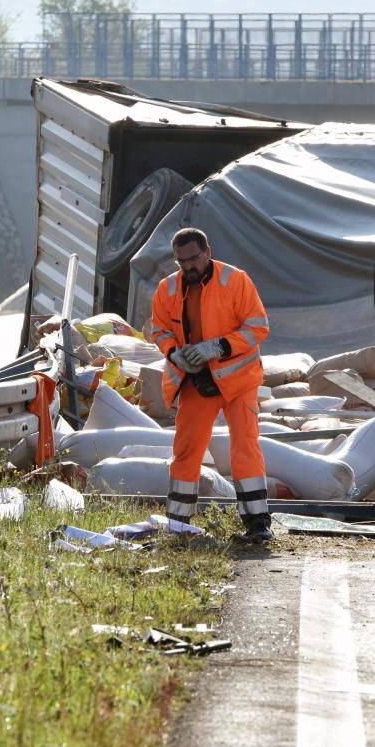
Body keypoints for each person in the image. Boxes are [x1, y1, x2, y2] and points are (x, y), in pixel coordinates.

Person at [148, 227, 273, 542]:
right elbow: (160, 330)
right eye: (181, 261)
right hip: (196, 380)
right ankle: (178, 524)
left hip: (238, 380)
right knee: (187, 450)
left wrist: (218, 347)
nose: (188, 266)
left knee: (245, 445)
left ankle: (258, 524)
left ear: (207, 252)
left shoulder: (235, 281)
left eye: (193, 258)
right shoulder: (168, 289)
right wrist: (175, 353)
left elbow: (258, 327)